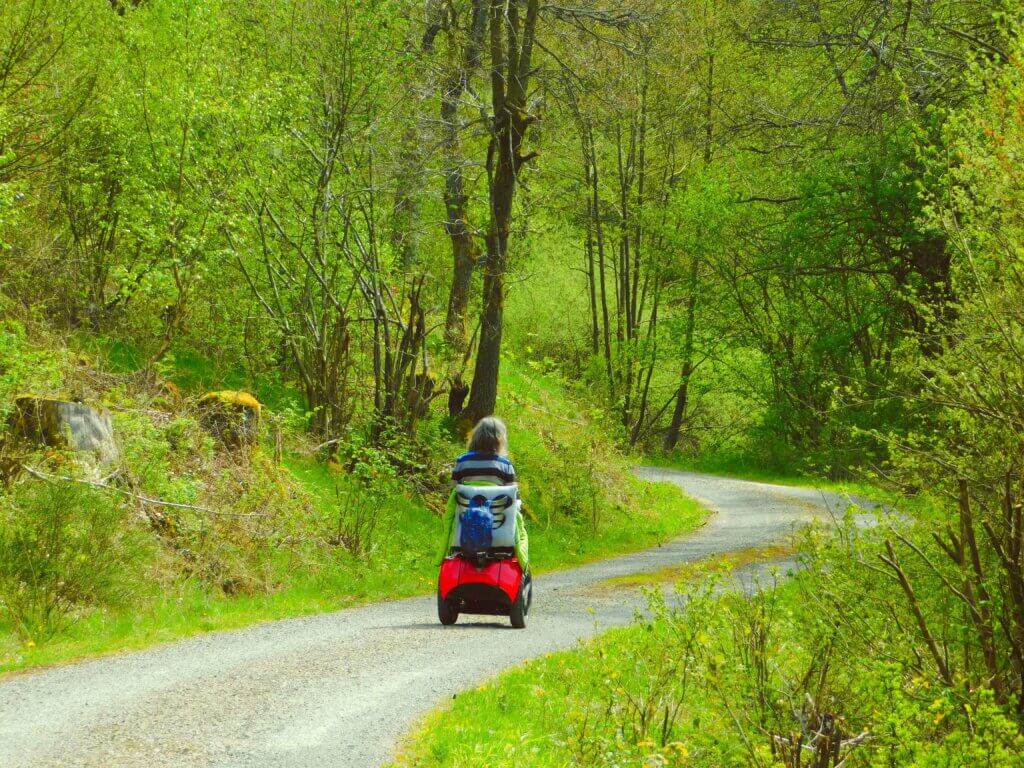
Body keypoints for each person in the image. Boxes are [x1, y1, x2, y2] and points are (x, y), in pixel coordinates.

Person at [437, 416, 529, 572]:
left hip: (465, 530)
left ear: (476, 437)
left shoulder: (462, 462)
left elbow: (454, 493)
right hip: (500, 532)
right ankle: (524, 569)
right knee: (523, 532)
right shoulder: (505, 465)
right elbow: (515, 501)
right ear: (499, 439)